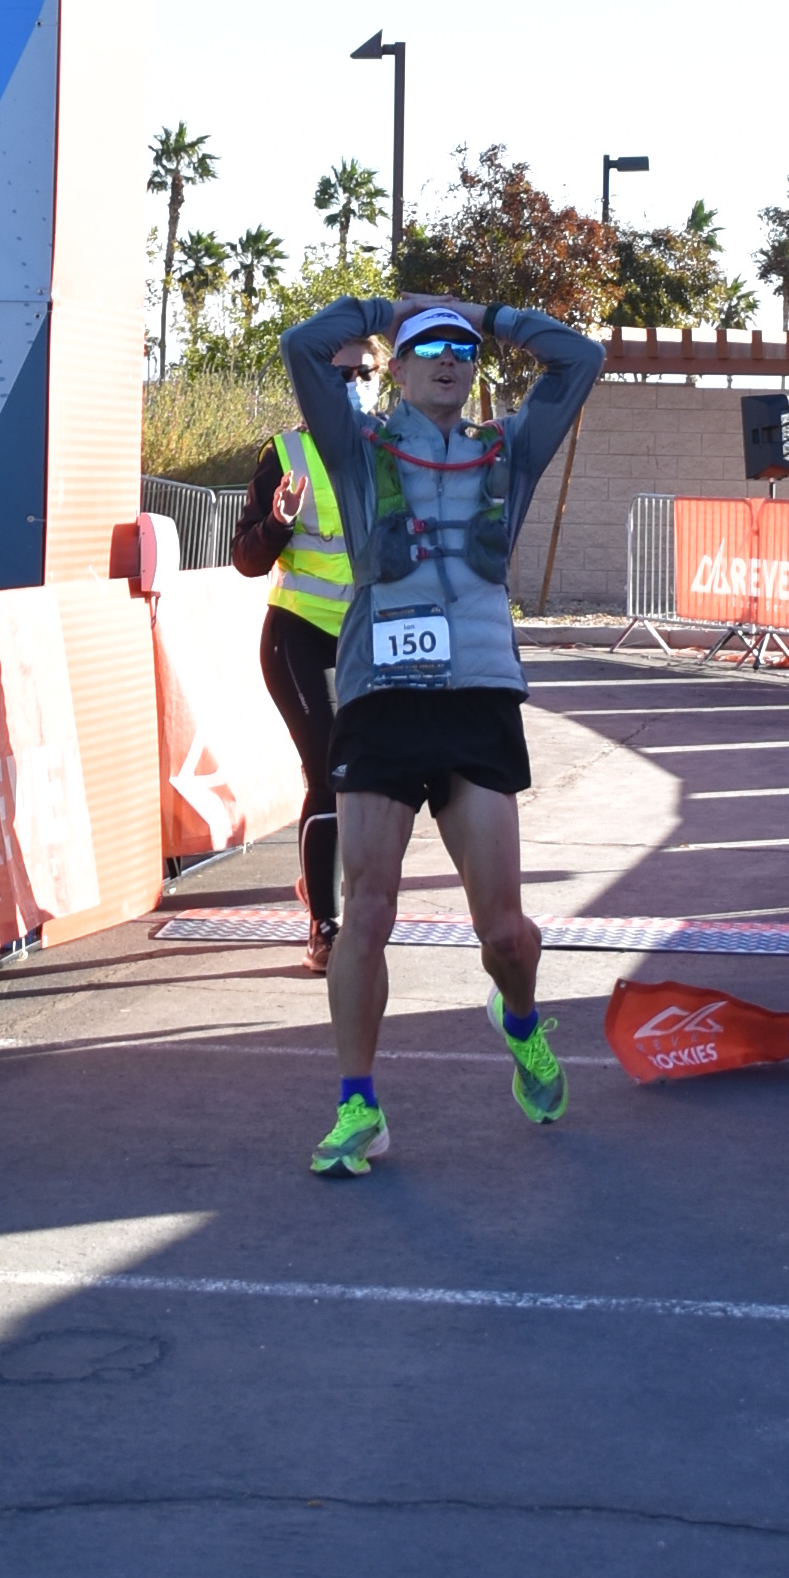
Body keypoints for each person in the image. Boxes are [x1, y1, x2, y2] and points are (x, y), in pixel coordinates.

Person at [278, 286, 607, 1175]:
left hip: (477, 698)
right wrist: (381, 307)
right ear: (398, 365)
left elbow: (581, 359)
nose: (451, 358)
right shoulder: (358, 446)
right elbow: (303, 346)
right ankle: (359, 1106)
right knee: (366, 912)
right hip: (382, 699)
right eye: (430, 347)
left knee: (504, 934)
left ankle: (520, 1019)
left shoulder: (506, 450)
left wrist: (490, 314)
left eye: (463, 349)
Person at [226, 331, 375, 969]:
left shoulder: (390, 449)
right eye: (339, 374)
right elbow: (246, 559)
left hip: (366, 640)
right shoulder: (286, 453)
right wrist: (278, 522)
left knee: (367, 780)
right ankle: (325, 925)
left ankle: (321, 881)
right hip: (299, 636)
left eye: (364, 373)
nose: (353, 385)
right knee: (330, 772)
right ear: (314, 380)